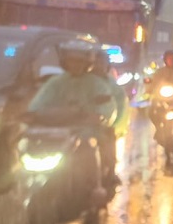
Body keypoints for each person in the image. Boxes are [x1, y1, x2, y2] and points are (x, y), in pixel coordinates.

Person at [26, 39, 117, 183]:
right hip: (55, 134)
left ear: (87, 63)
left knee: (90, 146)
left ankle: (96, 186)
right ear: (65, 62)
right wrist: (35, 115)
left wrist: (98, 117)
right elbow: (37, 106)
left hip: (86, 133)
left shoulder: (97, 84)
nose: (75, 64)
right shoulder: (55, 83)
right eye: (72, 61)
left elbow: (107, 109)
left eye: (79, 61)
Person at [92, 49, 130, 185]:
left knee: (109, 150)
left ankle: (111, 173)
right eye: (96, 63)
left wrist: (114, 125)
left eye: (101, 63)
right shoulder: (83, 82)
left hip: (106, 126)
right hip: (84, 125)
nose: (98, 66)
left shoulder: (112, 85)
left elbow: (120, 106)